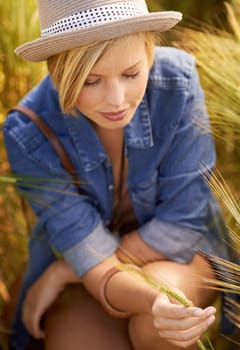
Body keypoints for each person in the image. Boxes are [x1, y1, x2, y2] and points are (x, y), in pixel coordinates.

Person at [3, 0, 233, 349]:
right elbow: (84, 249)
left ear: (149, 53)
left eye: (131, 74)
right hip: (92, 275)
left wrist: (69, 269)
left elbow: (183, 221)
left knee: (158, 311)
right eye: (91, 81)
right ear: (57, 72)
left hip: (181, 253)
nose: (116, 99)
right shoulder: (28, 132)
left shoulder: (179, 84)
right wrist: (93, 266)